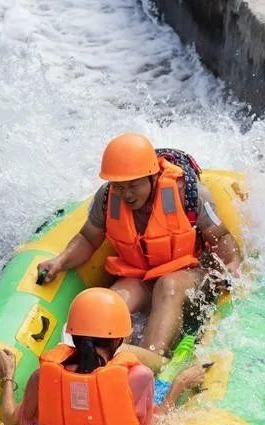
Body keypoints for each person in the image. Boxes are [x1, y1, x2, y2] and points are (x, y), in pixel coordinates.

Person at [37, 133, 241, 363]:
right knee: (108, 304)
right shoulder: (106, 198)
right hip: (139, 276)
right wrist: (60, 261)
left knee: (168, 285)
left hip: (186, 276)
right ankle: (98, 360)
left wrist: (232, 263)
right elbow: (87, 238)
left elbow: (221, 237)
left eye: (133, 186)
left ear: (153, 176)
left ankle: (154, 359)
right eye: (120, 187)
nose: (127, 195)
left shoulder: (189, 194)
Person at [0, 288, 206, 425]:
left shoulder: (42, 377)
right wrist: (180, 384)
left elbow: (13, 422)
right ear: (120, 340)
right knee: (166, 382)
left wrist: (7, 377)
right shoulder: (137, 376)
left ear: (72, 335)